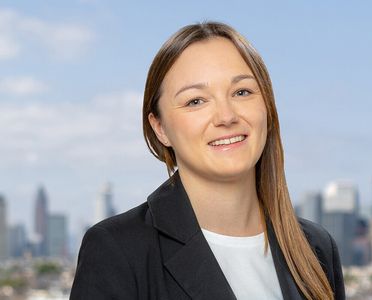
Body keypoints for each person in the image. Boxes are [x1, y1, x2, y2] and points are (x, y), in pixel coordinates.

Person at [70, 21, 345, 300]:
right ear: (160, 128)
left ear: (268, 107)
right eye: (196, 101)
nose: (226, 116)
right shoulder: (118, 250)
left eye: (242, 92)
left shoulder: (316, 247)